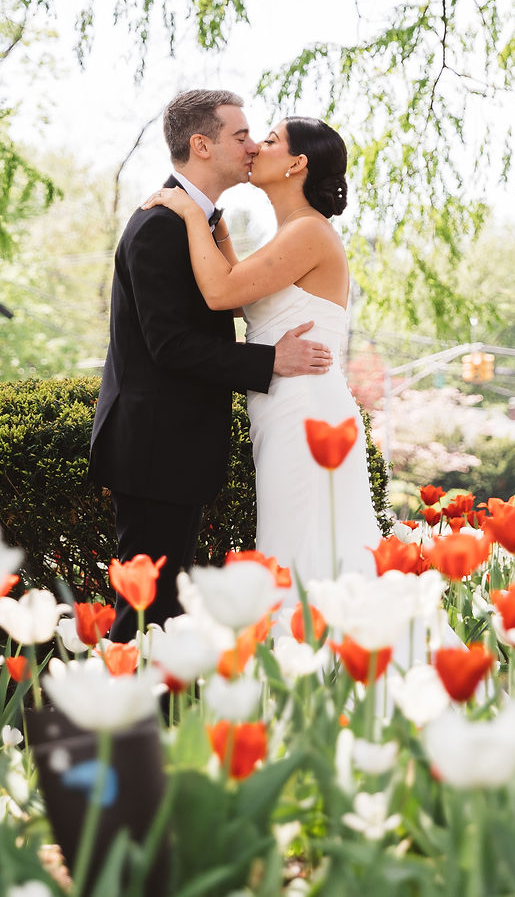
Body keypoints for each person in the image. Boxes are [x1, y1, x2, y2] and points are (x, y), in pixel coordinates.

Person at [89, 90, 333, 639]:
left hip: (175, 450)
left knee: (167, 610)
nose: (251, 146)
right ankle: (120, 720)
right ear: (201, 145)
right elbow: (169, 346)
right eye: (241, 136)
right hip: (154, 449)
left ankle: (159, 718)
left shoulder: (195, 222)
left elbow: (227, 292)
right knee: (146, 612)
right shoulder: (159, 226)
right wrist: (271, 361)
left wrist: (215, 230)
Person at [143, 115, 381, 587]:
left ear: (297, 164)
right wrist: (215, 222)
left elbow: (221, 293)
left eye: (269, 140)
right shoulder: (291, 231)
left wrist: (191, 213)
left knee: (302, 549)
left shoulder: (308, 232)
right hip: (283, 406)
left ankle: (319, 649)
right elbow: (243, 291)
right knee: (292, 543)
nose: (253, 147)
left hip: (307, 410)